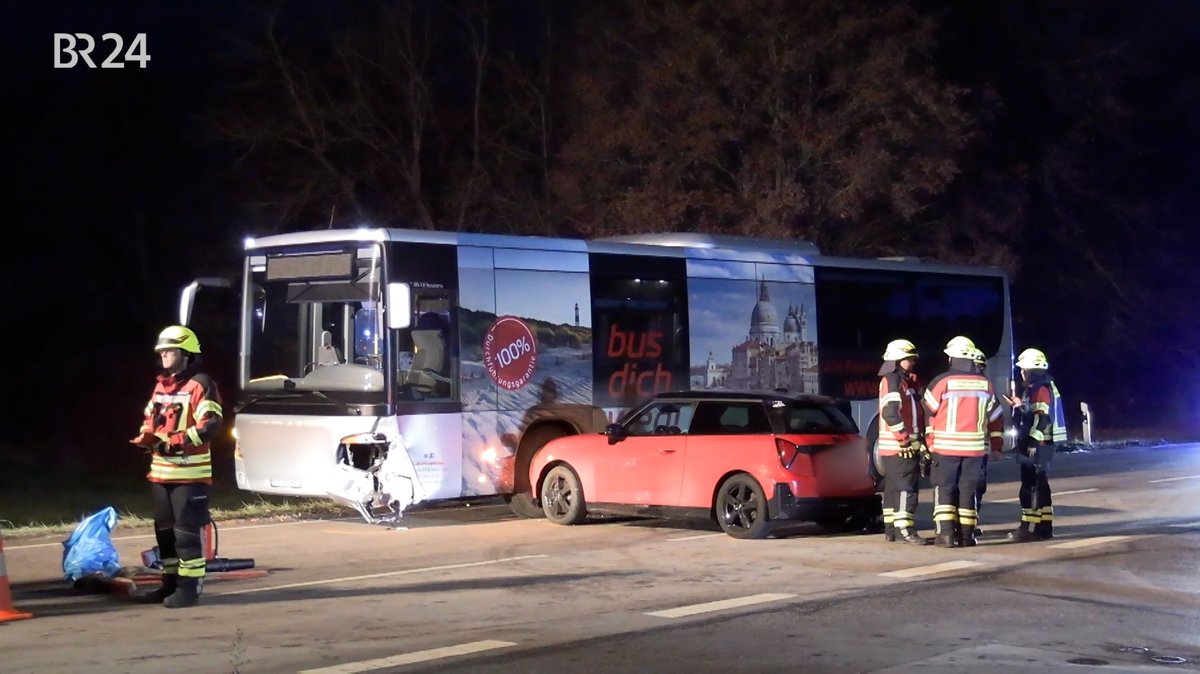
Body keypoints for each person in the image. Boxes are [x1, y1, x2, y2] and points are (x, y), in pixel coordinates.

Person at [129, 325, 224, 608]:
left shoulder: (202, 384)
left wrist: (177, 441)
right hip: (161, 472)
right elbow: (150, 416)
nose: (164, 354)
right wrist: (146, 436)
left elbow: (211, 425)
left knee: (186, 534)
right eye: (162, 350)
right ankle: (168, 584)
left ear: (186, 353)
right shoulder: (162, 385)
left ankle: (189, 588)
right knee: (165, 534)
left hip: (190, 475)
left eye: (170, 350)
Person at [922, 336, 1004, 548]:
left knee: (945, 489)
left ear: (952, 358)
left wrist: (928, 442)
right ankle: (968, 536)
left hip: (945, 447)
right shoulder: (986, 385)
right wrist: (996, 447)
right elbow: (996, 417)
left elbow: (927, 408)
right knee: (968, 492)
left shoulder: (942, 382)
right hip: (975, 450)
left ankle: (946, 536)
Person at [1005, 348, 1067, 542]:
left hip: (1038, 443)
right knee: (1040, 486)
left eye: (1023, 369)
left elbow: (1043, 419)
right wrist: (1021, 406)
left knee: (1030, 487)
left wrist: (1032, 441)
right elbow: (1037, 412)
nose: (1021, 373)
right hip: (1044, 443)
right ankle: (1043, 527)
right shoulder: (1043, 386)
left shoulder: (1039, 388)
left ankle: (1028, 528)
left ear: (1031, 370)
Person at [876, 339, 930, 545]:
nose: (913, 362)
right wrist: (905, 440)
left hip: (896, 446)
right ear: (898, 360)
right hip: (900, 447)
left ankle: (891, 528)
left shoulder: (903, 381)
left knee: (893, 488)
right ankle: (904, 530)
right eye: (909, 359)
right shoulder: (893, 380)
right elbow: (891, 413)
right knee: (906, 488)